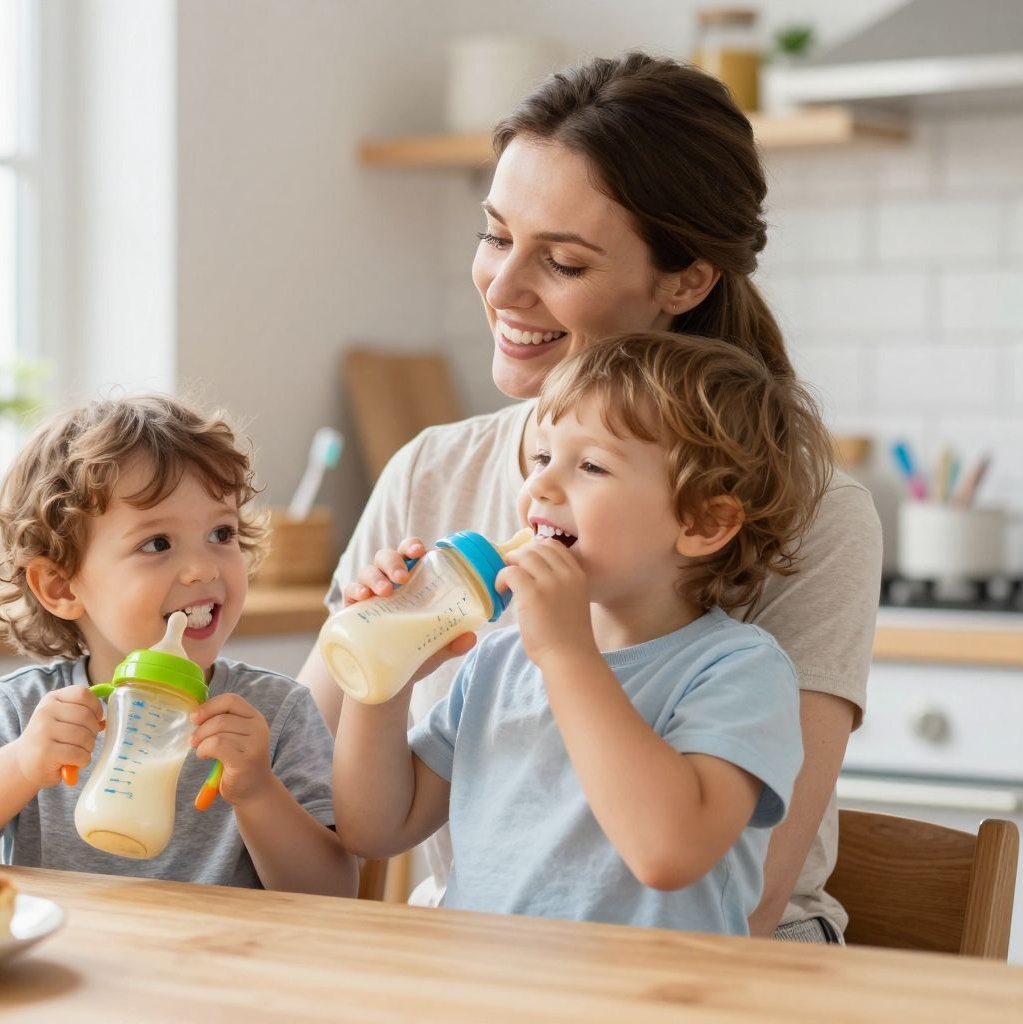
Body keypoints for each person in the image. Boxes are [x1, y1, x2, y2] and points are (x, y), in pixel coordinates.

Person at [299, 53, 881, 943]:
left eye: (562, 261)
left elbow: (744, 887)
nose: (500, 286)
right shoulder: (431, 475)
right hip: (481, 965)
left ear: (685, 280)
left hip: (712, 967)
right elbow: (342, 801)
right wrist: (375, 681)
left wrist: (567, 653)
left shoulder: (807, 519)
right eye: (496, 235)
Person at [333, 332, 832, 935]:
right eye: (542, 458)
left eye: (591, 465)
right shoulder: (499, 663)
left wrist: (566, 654)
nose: (540, 486)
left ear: (704, 522)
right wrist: (385, 674)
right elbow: (376, 829)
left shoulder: (739, 671)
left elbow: (668, 852)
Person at [0, 394, 355, 897]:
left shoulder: (273, 715)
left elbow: (333, 893)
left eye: (221, 533)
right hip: (66, 963)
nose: (203, 567)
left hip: (218, 966)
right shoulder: (25, 712)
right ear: (62, 587)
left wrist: (257, 790)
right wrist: (22, 764)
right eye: (157, 543)